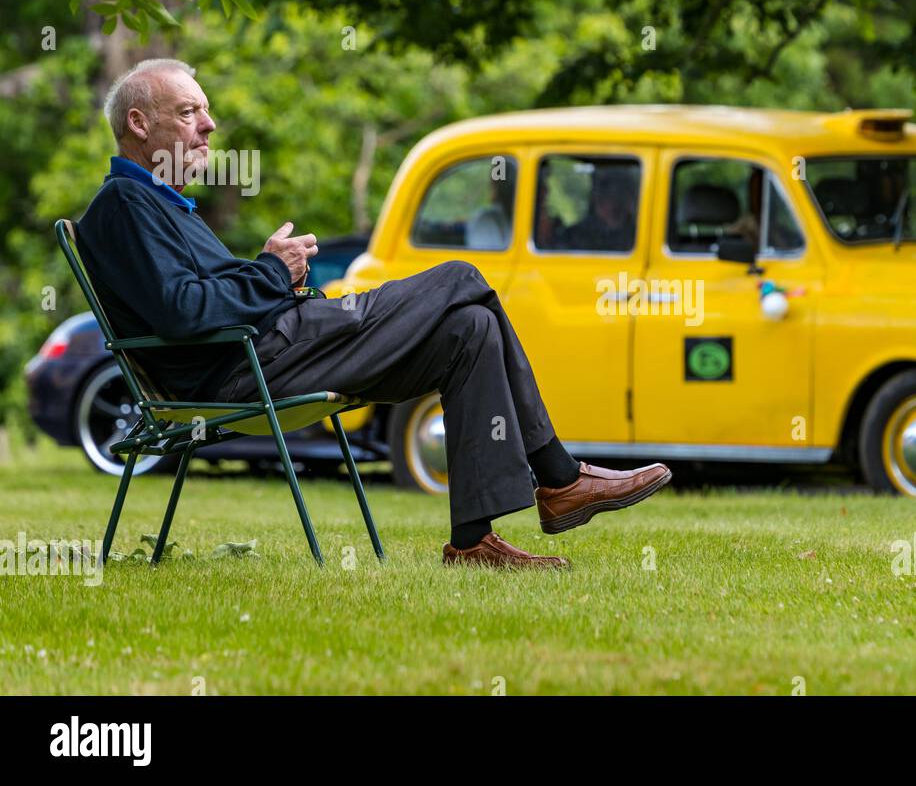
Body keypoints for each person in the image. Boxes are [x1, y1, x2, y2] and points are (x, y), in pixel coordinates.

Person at [74, 58, 671, 570]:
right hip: (247, 370)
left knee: (470, 327)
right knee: (462, 278)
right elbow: (184, 313)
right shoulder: (125, 205)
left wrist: (276, 274)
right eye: (188, 113)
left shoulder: (162, 203)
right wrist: (272, 273)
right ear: (138, 123)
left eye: (205, 112)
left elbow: (207, 294)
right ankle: (559, 477)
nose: (208, 126)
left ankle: (473, 542)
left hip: (272, 352)